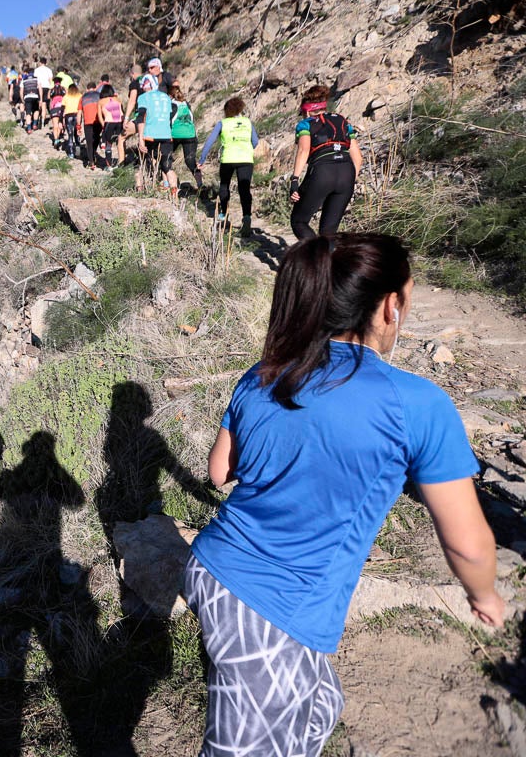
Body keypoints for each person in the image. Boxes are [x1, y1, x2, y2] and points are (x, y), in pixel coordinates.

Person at [185, 233, 504, 757]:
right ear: (388, 306)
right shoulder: (417, 405)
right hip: (271, 604)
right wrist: (485, 596)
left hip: (217, 565)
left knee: (319, 706)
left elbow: (220, 471)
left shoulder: (266, 373)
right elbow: (469, 545)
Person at [290, 84, 363, 240]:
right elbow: (358, 158)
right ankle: (328, 262)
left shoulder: (306, 124)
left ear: (307, 110)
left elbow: (303, 151)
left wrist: (294, 180)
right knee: (329, 232)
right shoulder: (343, 122)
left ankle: (316, 256)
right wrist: (349, 181)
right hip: (347, 173)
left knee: (299, 221)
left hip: (322, 172)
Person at [198, 96, 259, 236]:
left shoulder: (222, 123)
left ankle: (223, 215)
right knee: (244, 189)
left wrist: (202, 159)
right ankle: (247, 217)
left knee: (224, 185)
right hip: (246, 159)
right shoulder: (247, 122)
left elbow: (209, 142)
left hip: (228, 159)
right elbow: (255, 141)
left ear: (227, 110)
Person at [133, 74, 178, 195]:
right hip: (166, 136)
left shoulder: (143, 97)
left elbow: (141, 117)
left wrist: (141, 139)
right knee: (168, 167)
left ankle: (139, 192)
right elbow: (169, 116)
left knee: (140, 165)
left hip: (150, 135)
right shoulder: (166, 98)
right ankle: (174, 195)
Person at [169, 87, 202, 192]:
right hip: (190, 135)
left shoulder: (172, 105)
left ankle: (167, 183)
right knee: (190, 161)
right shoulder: (186, 104)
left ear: (170, 96)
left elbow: (169, 121)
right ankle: (200, 184)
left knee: (165, 157)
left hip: (175, 135)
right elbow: (192, 119)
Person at [98, 84, 125, 169]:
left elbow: (99, 116)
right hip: (120, 122)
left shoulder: (101, 101)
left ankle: (109, 165)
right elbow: (122, 112)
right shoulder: (118, 99)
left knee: (108, 144)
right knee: (120, 142)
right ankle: (122, 162)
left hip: (109, 123)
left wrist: (103, 126)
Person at [80, 81, 103, 169]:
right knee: (96, 138)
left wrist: (78, 125)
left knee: (89, 142)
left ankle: (91, 161)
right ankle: (93, 154)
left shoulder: (83, 97)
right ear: (95, 88)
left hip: (87, 122)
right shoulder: (99, 95)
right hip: (98, 121)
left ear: (87, 89)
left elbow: (79, 113)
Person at [61, 83, 83, 160]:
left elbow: (62, 109)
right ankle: (78, 152)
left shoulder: (66, 97)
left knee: (70, 135)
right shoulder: (80, 96)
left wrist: (61, 120)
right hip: (77, 116)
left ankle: (71, 153)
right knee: (77, 135)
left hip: (68, 116)